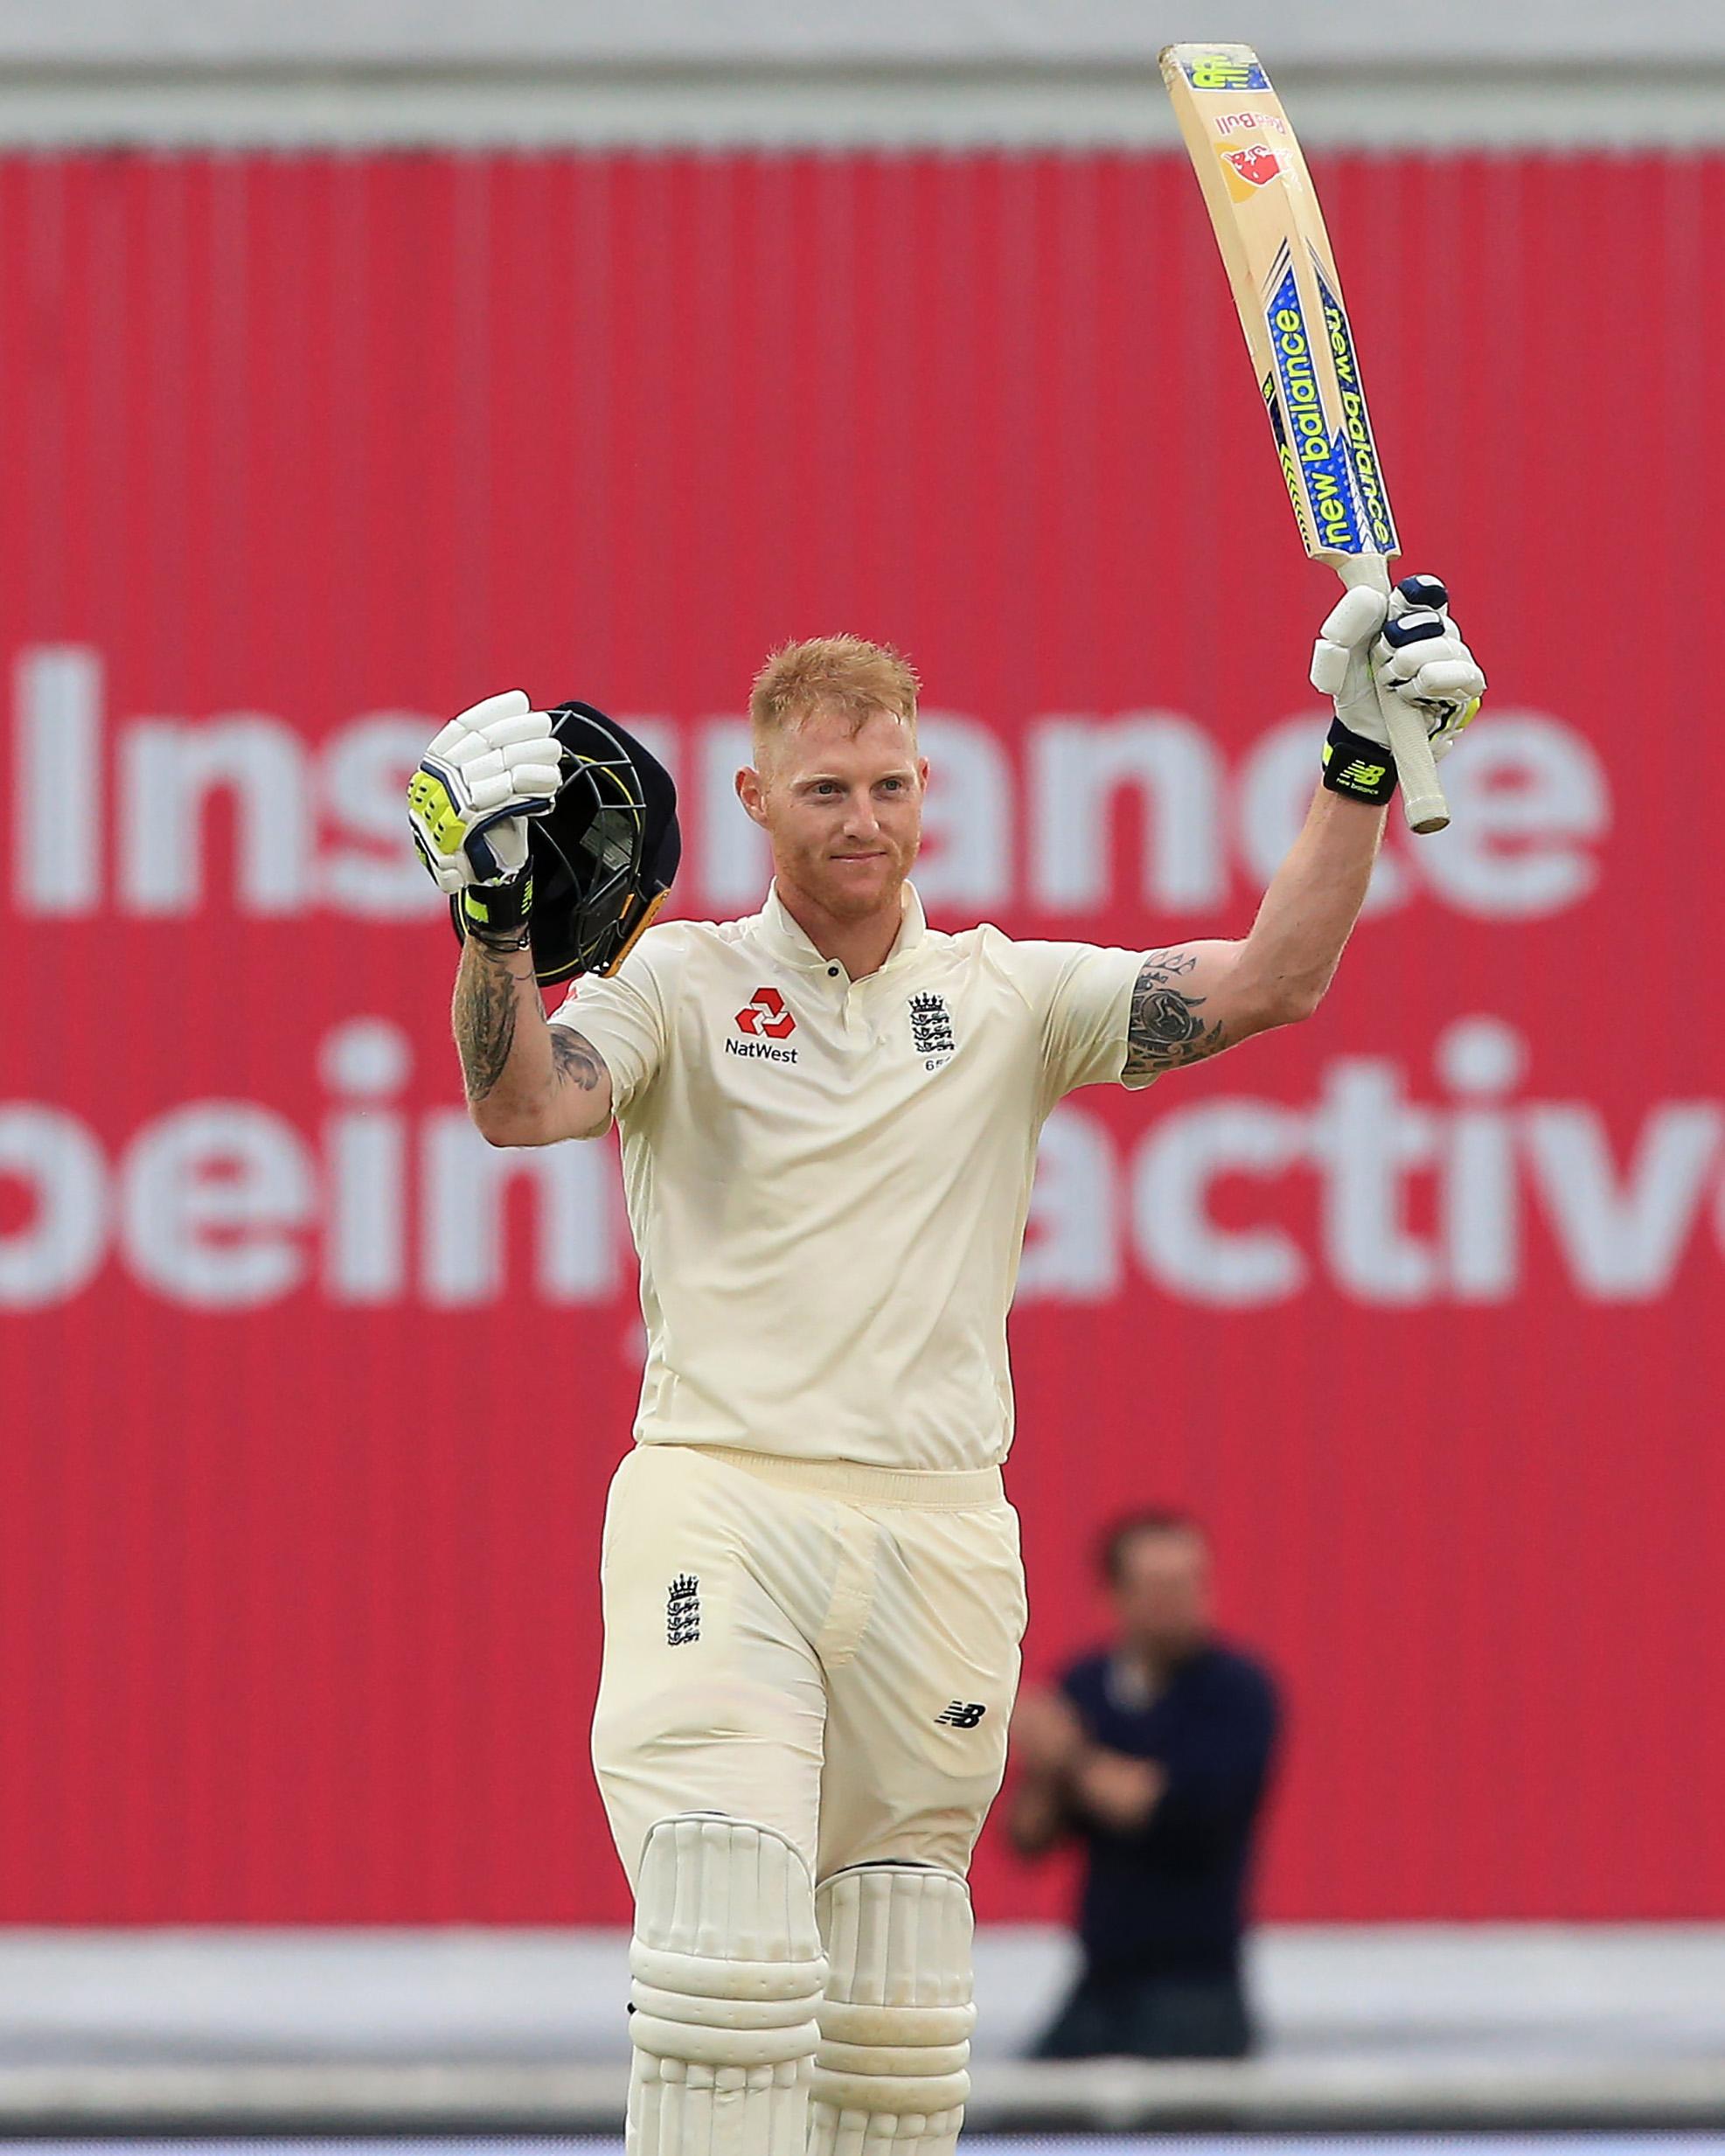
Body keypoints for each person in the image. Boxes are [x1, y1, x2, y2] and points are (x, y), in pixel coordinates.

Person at [404, 586, 1484, 2156]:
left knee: (897, 2028)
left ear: (926, 791)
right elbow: (521, 1103)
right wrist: (490, 918)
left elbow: (1269, 979)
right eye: (826, 788)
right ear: (754, 799)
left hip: (940, 1531)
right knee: (726, 1949)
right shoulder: (677, 987)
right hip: (725, 1503)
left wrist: (1358, 759)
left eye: (889, 785)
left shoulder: (1003, 998)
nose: (862, 818)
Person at [1008, 1510, 1280, 2060]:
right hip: (1100, 1977)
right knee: (1029, 2116)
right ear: (1114, 1596)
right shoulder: (1085, 1683)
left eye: (1189, 1583)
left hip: (1197, 1986)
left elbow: (1169, 1807)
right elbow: (1028, 1837)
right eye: (1158, 1587)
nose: (1178, 1602)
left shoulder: (1237, 1692)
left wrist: (1070, 1756)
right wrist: (1035, 1760)